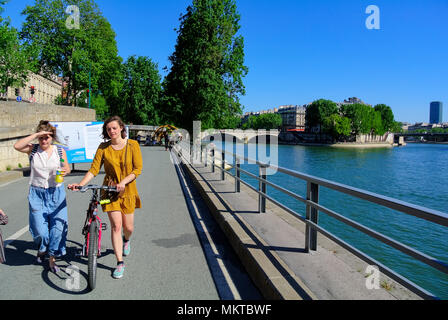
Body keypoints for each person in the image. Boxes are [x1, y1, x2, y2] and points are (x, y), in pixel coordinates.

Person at [68, 116, 142, 279]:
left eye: (114, 128)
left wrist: (123, 182)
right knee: (116, 225)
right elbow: (94, 170)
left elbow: (137, 169)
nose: (112, 131)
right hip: (109, 190)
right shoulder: (103, 148)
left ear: (121, 128)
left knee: (128, 227)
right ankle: (120, 263)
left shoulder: (133, 145)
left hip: (128, 190)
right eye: (109, 129)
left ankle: (126, 240)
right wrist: (80, 184)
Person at [13, 120, 71, 272]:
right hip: (37, 193)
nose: (44, 140)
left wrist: (65, 171)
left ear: (52, 137)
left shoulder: (59, 151)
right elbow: (17, 146)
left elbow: (67, 167)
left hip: (56, 193)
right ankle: (42, 249)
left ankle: (52, 259)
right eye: (41, 138)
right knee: (40, 231)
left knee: (58, 228)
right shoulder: (33, 150)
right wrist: (36, 134)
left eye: (47, 137)